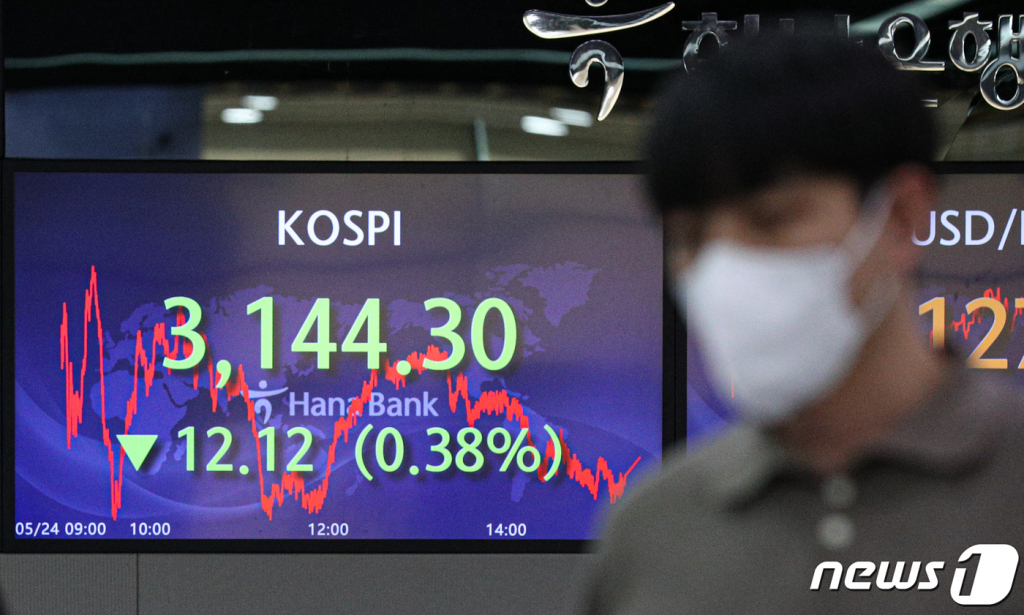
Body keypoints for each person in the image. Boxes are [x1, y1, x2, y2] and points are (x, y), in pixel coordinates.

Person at [580, 32, 1024, 613]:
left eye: (772, 219)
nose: (724, 270)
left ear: (901, 215)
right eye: (691, 239)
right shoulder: (650, 535)